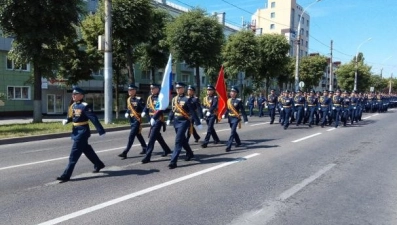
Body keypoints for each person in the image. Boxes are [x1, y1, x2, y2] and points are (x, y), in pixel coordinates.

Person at [57, 87, 106, 183]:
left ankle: (66, 175)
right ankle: (98, 164)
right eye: (73, 94)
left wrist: (101, 131)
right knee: (87, 150)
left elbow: (93, 118)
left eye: (76, 94)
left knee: (73, 155)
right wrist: (67, 120)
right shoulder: (74, 105)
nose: (73, 96)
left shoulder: (85, 106)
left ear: (81, 96)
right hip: (76, 131)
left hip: (82, 132)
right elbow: (73, 117)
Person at [166, 82, 202, 169]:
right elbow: (173, 110)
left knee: (178, 141)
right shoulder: (174, 99)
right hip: (176, 121)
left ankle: (173, 161)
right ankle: (190, 153)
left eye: (180, 88)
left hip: (184, 122)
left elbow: (193, 112)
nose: (178, 89)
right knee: (183, 140)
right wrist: (169, 118)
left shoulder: (187, 99)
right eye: (177, 88)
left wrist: (198, 123)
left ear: (183, 89)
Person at [141, 84, 172, 164]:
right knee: (158, 136)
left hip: (158, 120)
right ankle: (167, 150)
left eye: (153, 88)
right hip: (152, 119)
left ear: (158, 89)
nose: (151, 90)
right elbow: (147, 107)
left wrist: (154, 118)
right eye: (151, 88)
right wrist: (144, 112)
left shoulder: (161, 98)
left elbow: (161, 110)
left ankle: (147, 156)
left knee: (152, 138)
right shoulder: (150, 97)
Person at [118, 84, 148, 159]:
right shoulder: (129, 99)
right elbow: (129, 108)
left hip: (137, 120)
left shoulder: (139, 99)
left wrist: (144, 112)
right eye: (128, 90)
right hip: (131, 120)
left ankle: (125, 152)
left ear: (135, 91)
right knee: (138, 135)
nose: (129, 91)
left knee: (131, 136)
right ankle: (145, 148)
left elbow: (144, 107)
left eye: (131, 90)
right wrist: (127, 112)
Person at [223, 86, 248, 152]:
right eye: (231, 91)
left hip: (236, 118)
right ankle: (238, 142)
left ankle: (229, 146)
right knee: (233, 131)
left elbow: (243, 111)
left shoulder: (238, 101)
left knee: (232, 132)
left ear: (236, 93)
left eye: (233, 92)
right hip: (230, 118)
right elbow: (228, 109)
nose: (232, 93)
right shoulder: (228, 100)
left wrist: (245, 119)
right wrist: (224, 114)